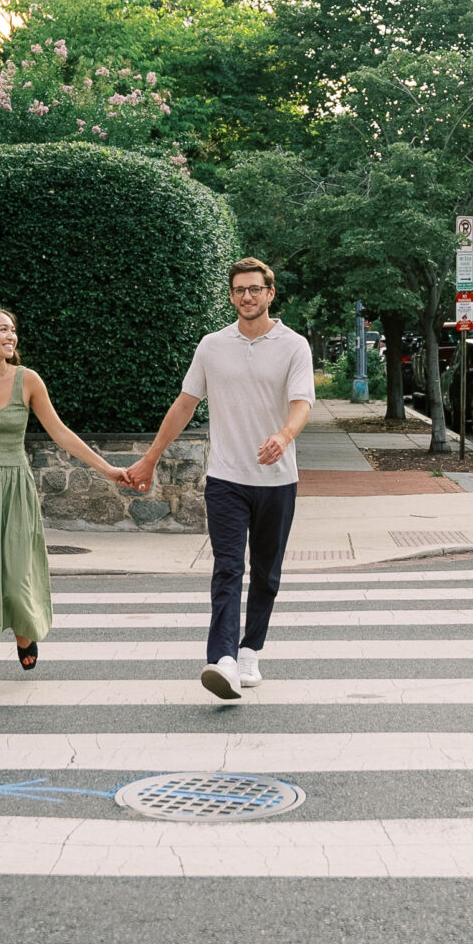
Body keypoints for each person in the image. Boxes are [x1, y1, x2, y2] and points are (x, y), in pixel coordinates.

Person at [0, 305, 134, 699]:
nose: (12, 336)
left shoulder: (28, 381)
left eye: (14, 330)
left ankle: (24, 632)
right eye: (4, 330)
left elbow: (61, 433)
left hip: (14, 487)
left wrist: (108, 469)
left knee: (18, 571)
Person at [127, 258, 313, 701]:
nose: (247, 296)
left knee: (266, 572)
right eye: (238, 290)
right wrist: (151, 458)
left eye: (255, 289)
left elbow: (302, 402)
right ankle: (222, 659)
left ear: (270, 293)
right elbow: (185, 404)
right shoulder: (212, 346)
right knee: (228, 567)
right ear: (230, 296)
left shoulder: (294, 345)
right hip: (226, 478)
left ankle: (250, 650)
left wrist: (285, 436)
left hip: (277, 479)